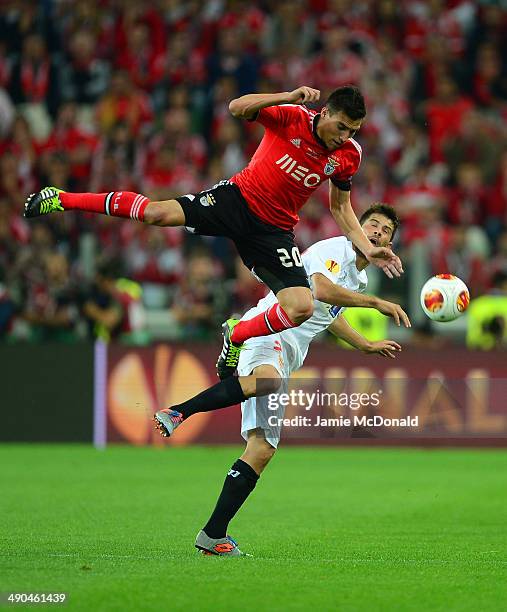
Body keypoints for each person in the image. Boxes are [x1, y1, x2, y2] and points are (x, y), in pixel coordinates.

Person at [23, 85, 403, 377]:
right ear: (326, 112)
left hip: (273, 230)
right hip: (237, 199)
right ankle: (63, 198)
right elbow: (236, 108)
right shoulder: (292, 117)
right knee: (157, 213)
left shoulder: (349, 154)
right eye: (341, 126)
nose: (344, 135)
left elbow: (340, 207)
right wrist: (287, 94)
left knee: (301, 307)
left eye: (353, 130)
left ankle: (236, 336)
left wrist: (367, 250)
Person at [154, 203, 411, 556]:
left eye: (386, 230)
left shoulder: (359, 277)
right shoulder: (334, 249)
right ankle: (179, 411)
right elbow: (319, 290)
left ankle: (213, 535)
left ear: (390, 245)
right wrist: (376, 303)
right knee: (269, 382)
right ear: (356, 226)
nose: (377, 232)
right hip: (270, 329)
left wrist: (364, 344)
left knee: (261, 449)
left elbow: (329, 315)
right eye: (372, 225)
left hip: (288, 352)